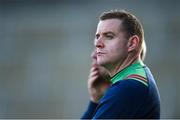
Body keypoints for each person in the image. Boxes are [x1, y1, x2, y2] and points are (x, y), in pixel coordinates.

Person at [81, 9, 160, 119]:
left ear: (132, 43)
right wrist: (96, 100)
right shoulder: (135, 79)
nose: (98, 44)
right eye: (97, 36)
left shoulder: (127, 89)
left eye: (109, 36)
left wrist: (94, 104)